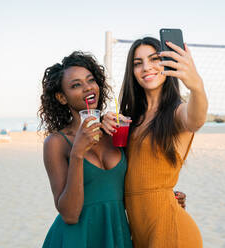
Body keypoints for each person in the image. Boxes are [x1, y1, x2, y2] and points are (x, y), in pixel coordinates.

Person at [38, 51, 186, 248]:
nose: (87, 87)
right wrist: (77, 154)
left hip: (115, 235)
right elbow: (70, 214)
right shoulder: (56, 143)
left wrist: (166, 196)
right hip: (77, 239)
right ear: (62, 97)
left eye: (91, 80)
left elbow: (132, 186)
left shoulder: (116, 133)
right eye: (76, 85)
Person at [102, 37, 208, 247]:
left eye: (154, 59)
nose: (146, 67)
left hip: (171, 230)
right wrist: (103, 121)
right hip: (138, 232)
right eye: (138, 63)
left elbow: (196, 119)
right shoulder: (132, 118)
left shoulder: (177, 112)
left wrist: (196, 86)